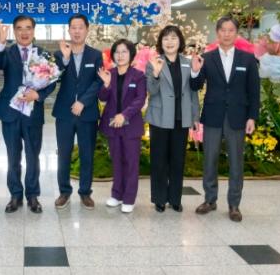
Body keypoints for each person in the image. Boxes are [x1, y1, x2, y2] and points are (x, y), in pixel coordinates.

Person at [190, 15, 260, 222]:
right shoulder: (207, 58)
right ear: (217, 33)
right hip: (213, 116)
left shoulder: (247, 59)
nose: (227, 34)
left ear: (236, 33)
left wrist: (252, 117)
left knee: (236, 162)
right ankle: (210, 200)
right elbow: (195, 86)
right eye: (223, 30)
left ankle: (234, 204)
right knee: (209, 160)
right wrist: (195, 71)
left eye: (231, 30)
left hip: (238, 117)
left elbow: (254, 91)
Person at [0, 16, 57, 214]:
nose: (24, 32)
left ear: (33, 30)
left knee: (33, 156)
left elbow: (52, 80)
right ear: (14, 31)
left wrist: (38, 95)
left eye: (28, 28)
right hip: (10, 112)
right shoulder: (6, 52)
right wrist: (1, 43)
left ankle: (32, 195)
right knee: (12, 156)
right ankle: (15, 195)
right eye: (20, 28)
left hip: (32, 114)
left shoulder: (44, 54)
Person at [145, 26, 200, 213]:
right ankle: (160, 199)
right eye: (166, 38)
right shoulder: (154, 63)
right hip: (160, 118)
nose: (169, 42)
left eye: (173, 38)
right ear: (161, 42)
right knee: (159, 160)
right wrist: (156, 73)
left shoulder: (188, 63)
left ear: (180, 41)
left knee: (178, 160)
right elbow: (151, 91)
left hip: (181, 118)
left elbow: (193, 92)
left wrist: (195, 116)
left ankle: (175, 199)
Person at [53, 14, 102, 210]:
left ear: (87, 30)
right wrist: (65, 60)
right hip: (64, 113)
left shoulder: (95, 55)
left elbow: (99, 81)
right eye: (73, 27)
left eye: (80, 27)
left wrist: (83, 101)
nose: (77, 31)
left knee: (86, 154)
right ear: (69, 30)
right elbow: (52, 76)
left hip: (87, 113)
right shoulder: (59, 54)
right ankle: (64, 192)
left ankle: (85, 192)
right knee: (63, 154)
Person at [97, 39, 146, 213]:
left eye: (124, 51)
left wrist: (124, 115)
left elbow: (140, 99)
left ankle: (129, 198)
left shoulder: (138, 76)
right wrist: (106, 84)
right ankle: (116, 194)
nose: (120, 55)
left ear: (131, 55)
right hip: (112, 125)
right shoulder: (109, 73)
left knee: (131, 163)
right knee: (116, 161)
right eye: (117, 52)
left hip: (130, 125)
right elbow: (102, 97)